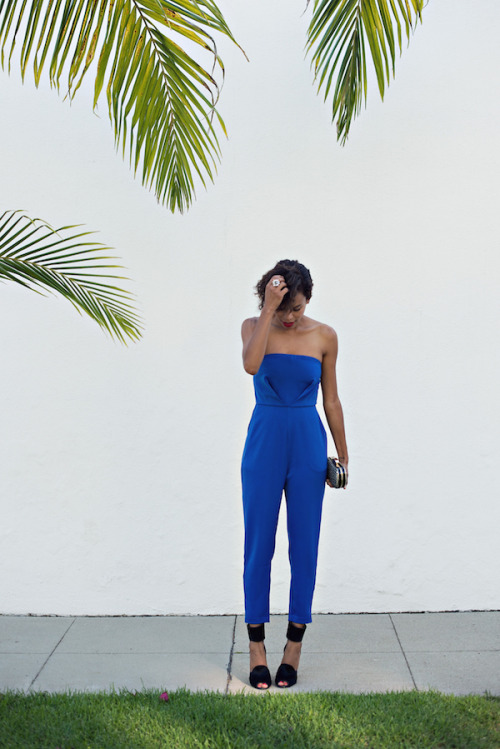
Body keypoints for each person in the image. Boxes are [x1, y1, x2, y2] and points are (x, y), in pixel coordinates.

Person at [241, 259, 348, 689]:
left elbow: (332, 401)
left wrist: (343, 455)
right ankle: (256, 648)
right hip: (264, 440)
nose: (290, 317)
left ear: (308, 300)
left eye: (297, 308)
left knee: (304, 546)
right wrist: (268, 308)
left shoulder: (324, 336)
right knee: (257, 546)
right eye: (283, 307)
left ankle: (294, 646)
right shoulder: (254, 325)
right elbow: (251, 365)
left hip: (306, 442)